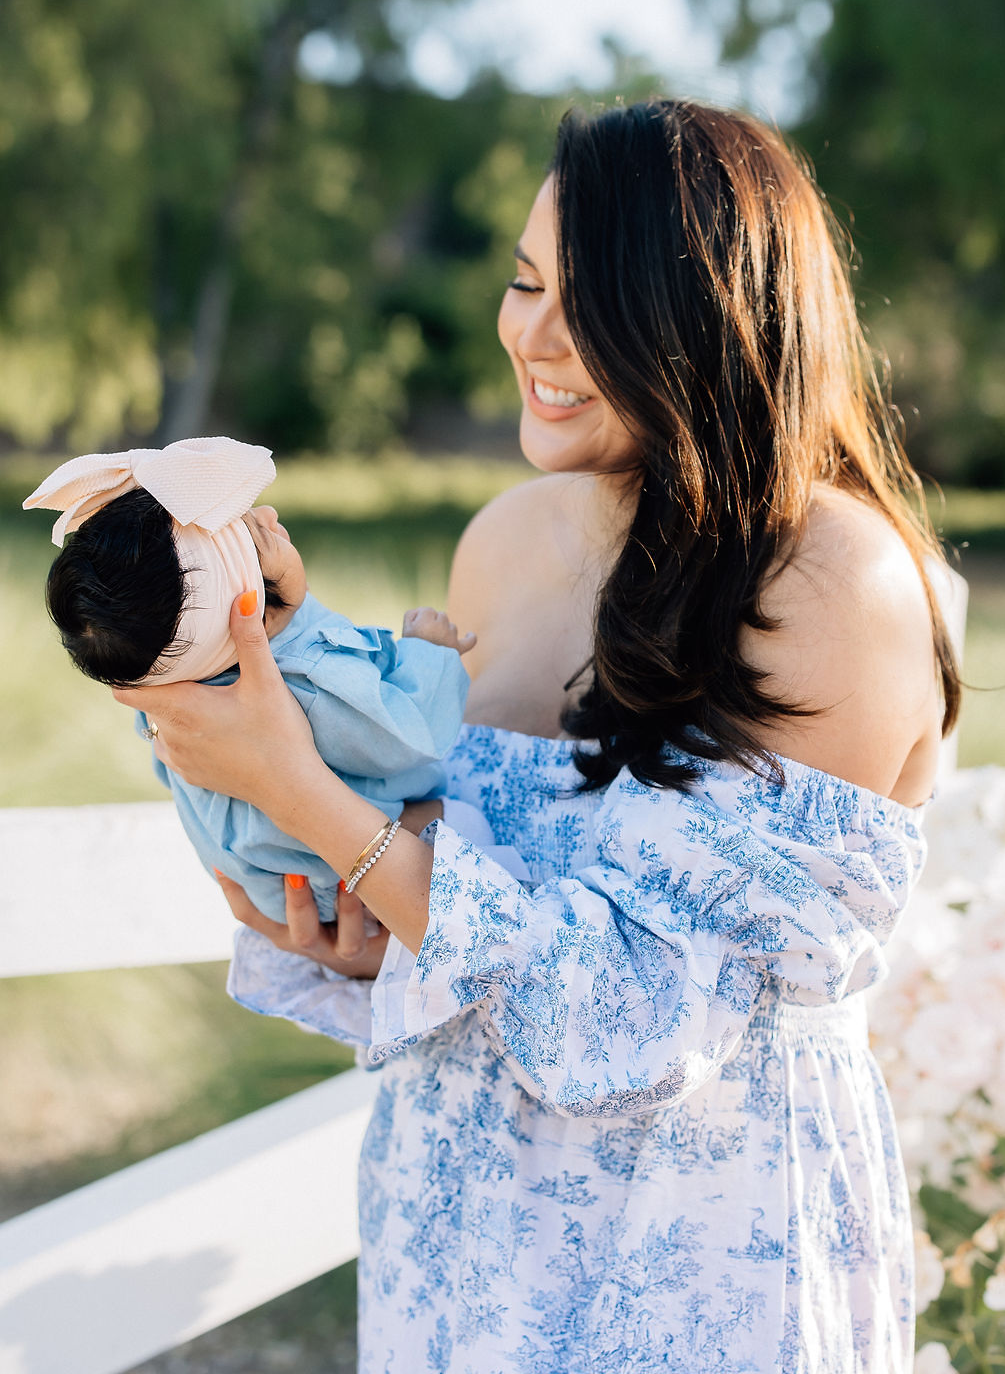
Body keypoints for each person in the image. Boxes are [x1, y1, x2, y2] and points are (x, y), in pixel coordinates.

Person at [112, 100, 960, 1373]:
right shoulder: (503, 543)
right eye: (522, 282)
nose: (534, 335)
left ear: (712, 322)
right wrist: (292, 747)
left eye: (592, 300)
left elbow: (629, 1011)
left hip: (698, 1268)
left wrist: (307, 793)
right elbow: (453, 901)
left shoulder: (837, 585)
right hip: (459, 1241)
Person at [24, 437, 480, 924]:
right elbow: (412, 731)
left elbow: (167, 769)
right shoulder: (312, 676)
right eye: (257, 536)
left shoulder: (177, 694)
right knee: (473, 826)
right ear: (253, 609)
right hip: (343, 881)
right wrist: (430, 651)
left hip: (268, 883)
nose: (269, 515)